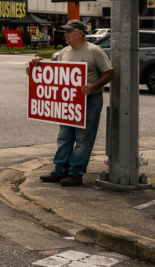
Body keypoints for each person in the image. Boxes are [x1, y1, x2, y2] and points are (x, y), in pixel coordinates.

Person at [25, 20, 115, 186]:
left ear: (80, 33)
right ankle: (60, 170)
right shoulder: (64, 52)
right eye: (65, 31)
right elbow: (54, 73)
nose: (65, 34)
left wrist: (94, 85)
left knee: (83, 139)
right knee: (64, 137)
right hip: (68, 102)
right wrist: (36, 65)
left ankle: (75, 173)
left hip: (90, 101)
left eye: (68, 31)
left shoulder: (94, 51)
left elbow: (110, 73)